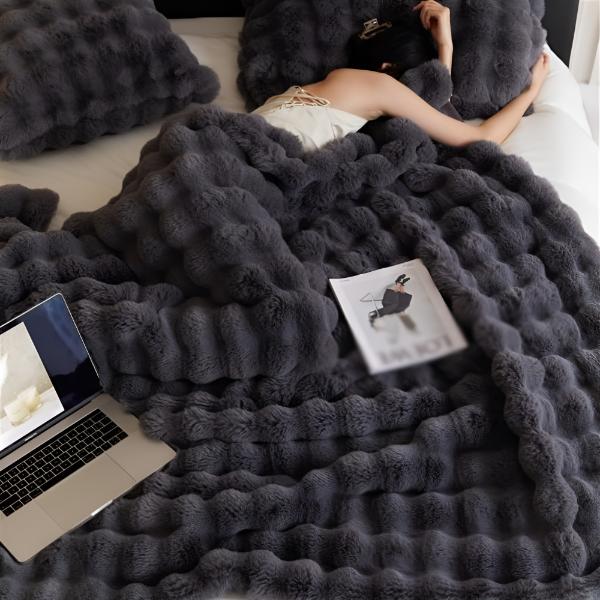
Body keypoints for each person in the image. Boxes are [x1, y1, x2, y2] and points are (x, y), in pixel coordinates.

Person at [252, 0, 550, 152]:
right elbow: (478, 137)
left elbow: (434, 99)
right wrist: (530, 91)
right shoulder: (380, 86)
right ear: (388, 68)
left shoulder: (338, 79)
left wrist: (445, 47)